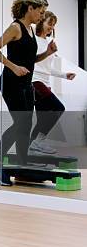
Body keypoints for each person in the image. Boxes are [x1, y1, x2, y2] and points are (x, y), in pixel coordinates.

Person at [0, 0, 56, 185]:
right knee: (20, 123)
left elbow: (29, 60)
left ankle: (23, 165)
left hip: (26, 83)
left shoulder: (31, 30)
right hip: (11, 82)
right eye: (40, 12)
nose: (41, 17)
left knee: (26, 124)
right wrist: (13, 67)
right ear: (30, 9)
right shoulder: (15, 27)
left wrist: (47, 53)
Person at [29, 11, 76, 154]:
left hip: (45, 82)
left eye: (53, 24)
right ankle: (37, 143)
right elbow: (33, 62)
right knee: (58, 108)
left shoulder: (49, 42)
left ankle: (30, 148)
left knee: (42, 120)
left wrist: (64, 75)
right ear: (41, 22)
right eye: (49, 23)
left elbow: (48, 68)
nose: (51, 26)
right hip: (35, 82)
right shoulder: (34, 40)